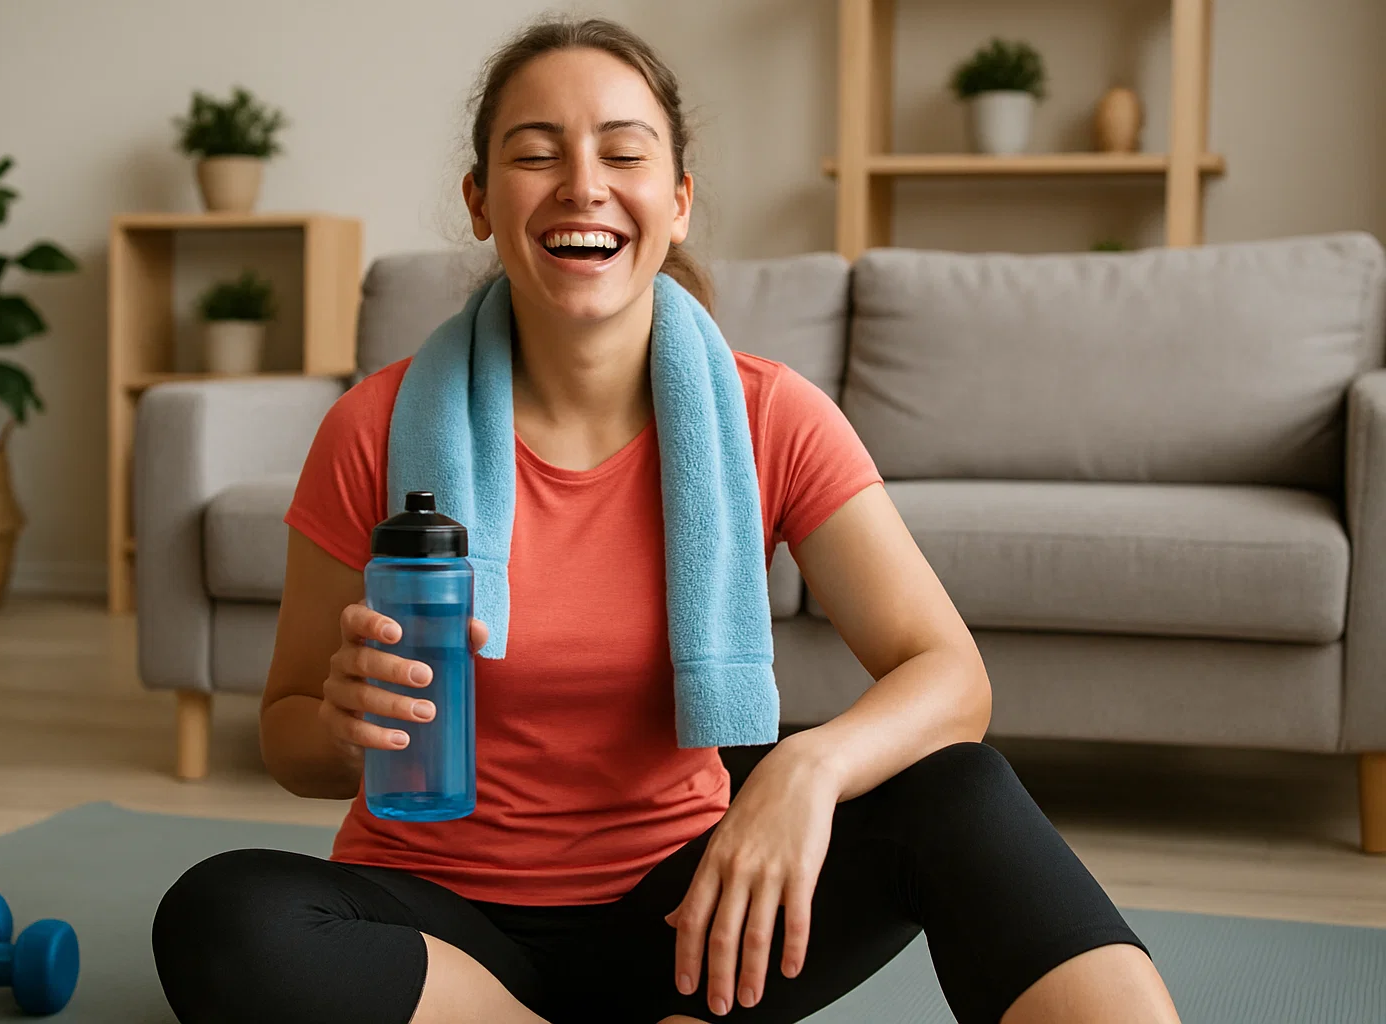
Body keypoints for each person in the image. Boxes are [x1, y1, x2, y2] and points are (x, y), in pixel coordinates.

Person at [152, 16, 1183, 1024]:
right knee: (221, 916)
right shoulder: (372, 428)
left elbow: (951, 676)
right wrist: (341, 729)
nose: (583, 184)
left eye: (623, 152)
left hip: (692, 917)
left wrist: (801, 769)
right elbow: (288, 732)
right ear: (480, 200)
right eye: (536, 153)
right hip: (436, 931)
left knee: (964, 794)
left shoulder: (771, 414)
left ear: (677, 199)